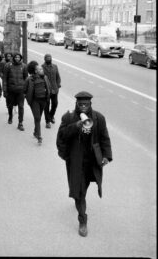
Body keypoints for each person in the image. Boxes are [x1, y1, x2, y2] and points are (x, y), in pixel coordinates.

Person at [56, 91, 113, 237]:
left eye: (85, 104)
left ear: (90, 104)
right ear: (76, 103)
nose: (83, 107)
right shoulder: (68, 117)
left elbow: (104, 138)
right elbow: (62, 137)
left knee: (84, 187)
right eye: (80, 104)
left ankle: (79, 199)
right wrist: (76, 126)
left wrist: (107, 156)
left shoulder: (98, 118)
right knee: (79, 191)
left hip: (92, 161)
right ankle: (82, 220)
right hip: (75, 161)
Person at [24, 61, 51, 144]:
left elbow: (48, 87)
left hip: (43, 101)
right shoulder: (29, 79)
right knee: (37, 118)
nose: (42, 69)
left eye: (41, 68)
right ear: (36, 71)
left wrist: (48, 95)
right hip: (34, 101)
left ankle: (36, 132)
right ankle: (39, 136)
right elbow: (24, 90)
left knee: (38, 117)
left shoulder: (45, 77)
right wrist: (28, 99)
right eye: (40, 69)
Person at [3, 53, 28, 131]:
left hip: (20, 91)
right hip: (11, 90)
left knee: (21, 106)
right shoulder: (8, 65)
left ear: (21, 58)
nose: (17, 58)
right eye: (16, 57)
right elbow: (5, 79)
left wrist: (26, 90)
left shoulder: (24, 66)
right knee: (10, 105)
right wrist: (5, 90)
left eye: (19, 57)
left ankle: (20, 123)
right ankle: (10, 116)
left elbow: (26, 78)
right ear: (13, 58)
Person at [42, 54, 61, 128]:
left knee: (55, 104)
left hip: (54, 90)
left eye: (50, 57)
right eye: (47, 58)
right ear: (45, 59)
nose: (49, 59)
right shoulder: (42, 67)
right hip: (46, 91)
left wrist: (58, 85)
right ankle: (47, 122)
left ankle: (51, 116)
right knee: (46, 106)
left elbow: (58, 77)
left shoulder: (55, 66)